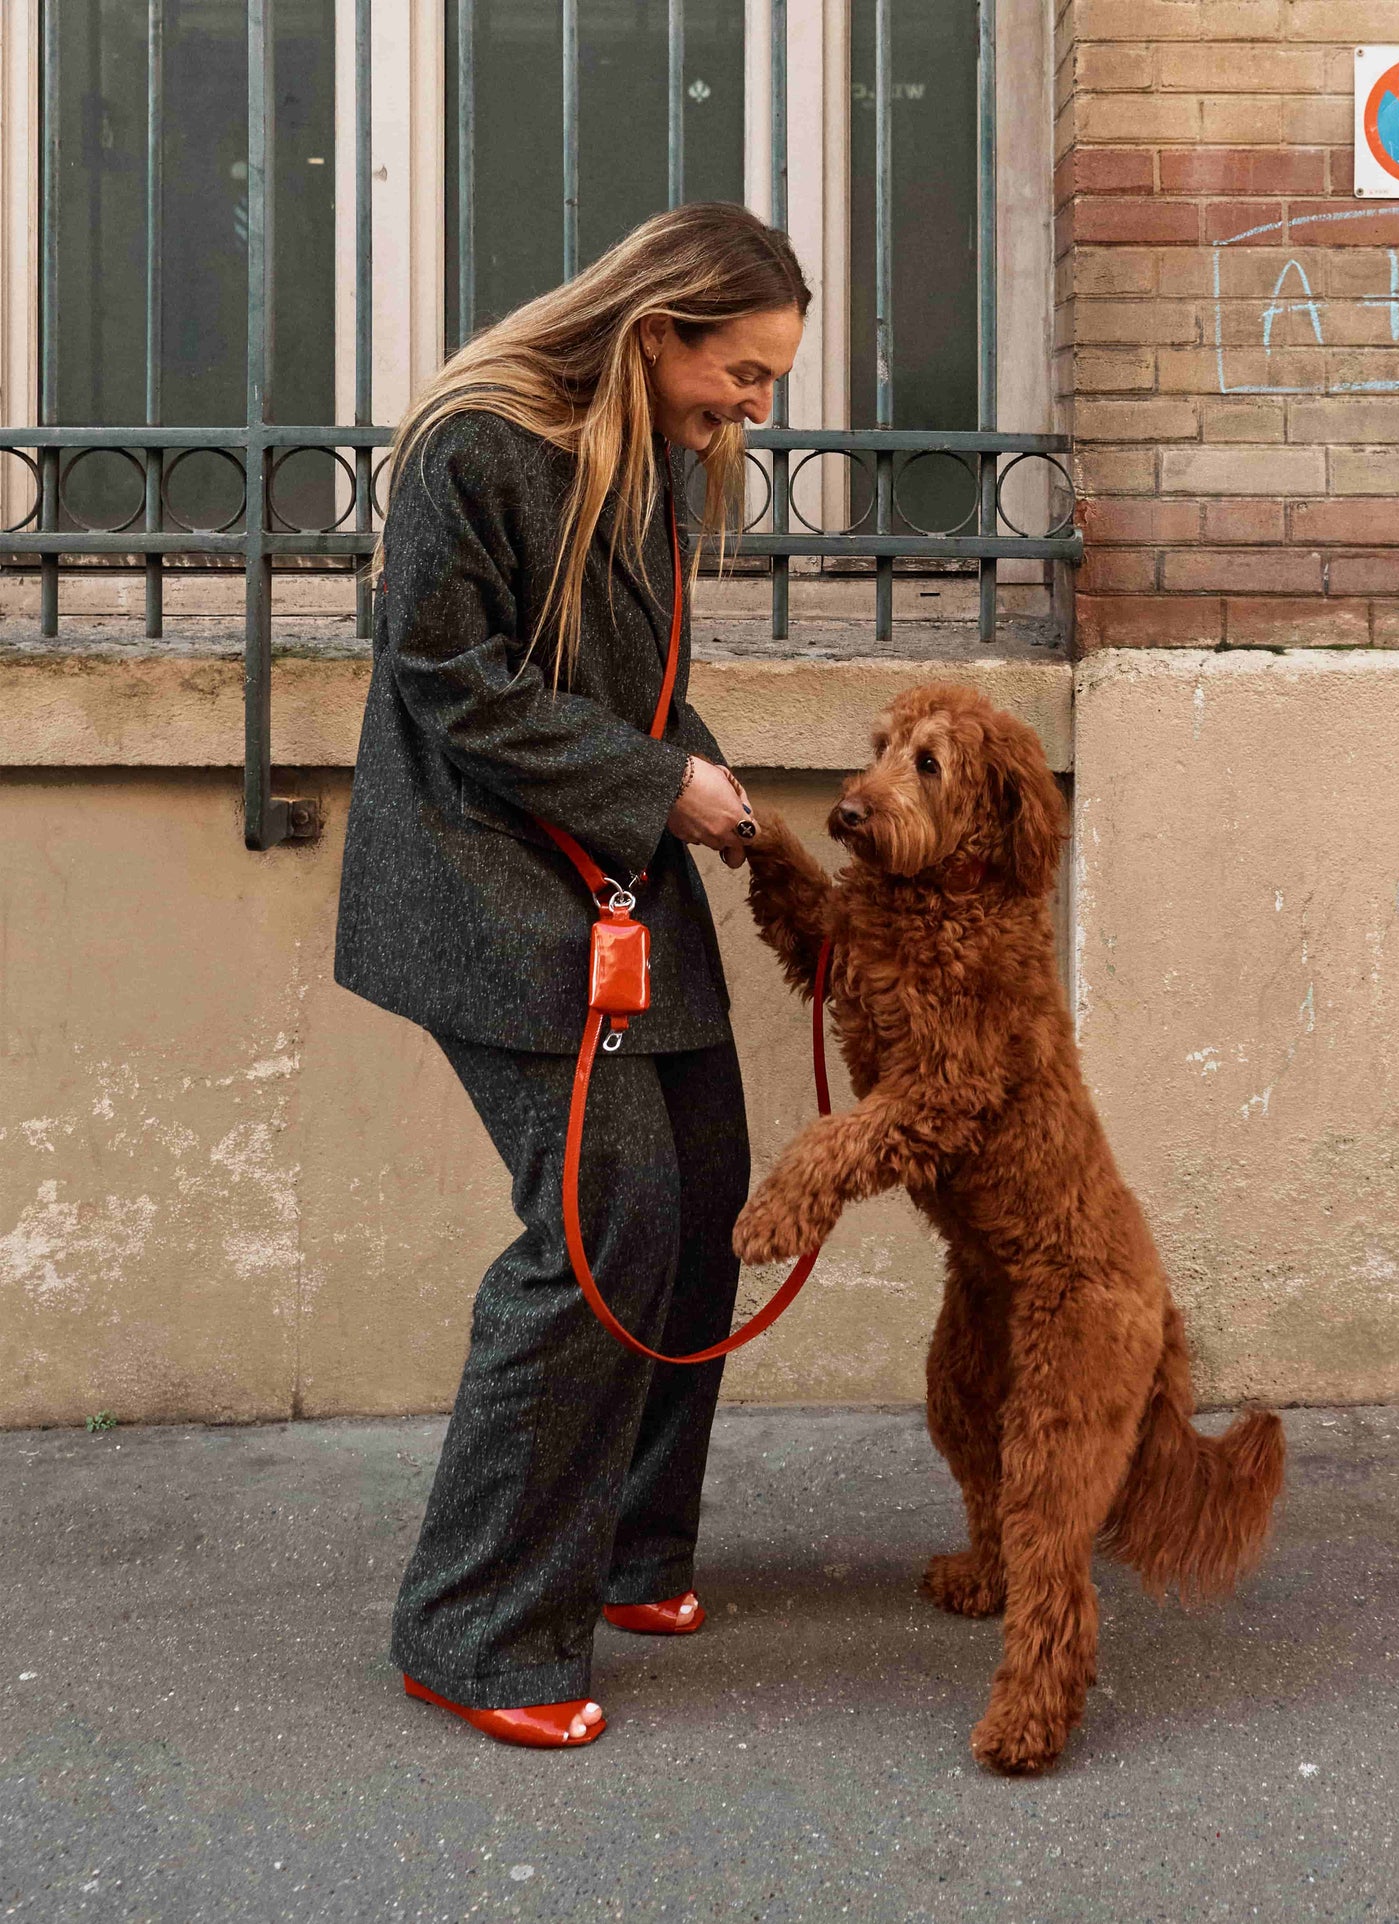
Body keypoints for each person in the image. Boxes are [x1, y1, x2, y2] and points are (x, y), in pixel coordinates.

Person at [333, 202, 810, 1749]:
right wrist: (663, 787)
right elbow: (446, 676)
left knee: (708, 1197)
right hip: (486, 886)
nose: (754, 406)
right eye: (738, 371)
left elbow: (635, 688)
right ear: (653, 326)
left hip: (618, 877)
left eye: (766, 380)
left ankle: (623, 1549)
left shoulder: (660, 457)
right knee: (606, 1227)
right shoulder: (475, 443)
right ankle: (472, 1628)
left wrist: (709, 790)